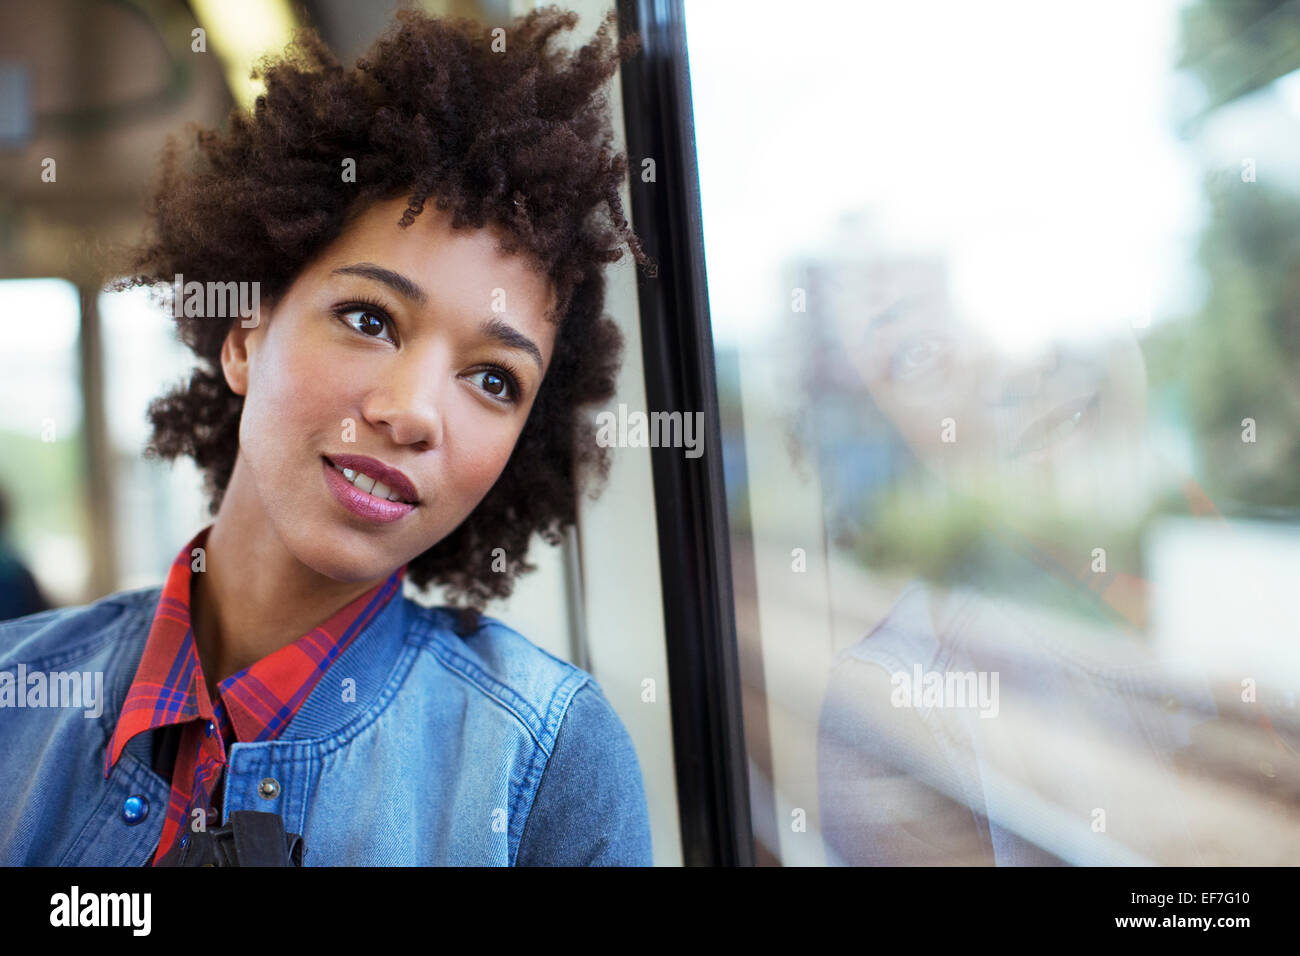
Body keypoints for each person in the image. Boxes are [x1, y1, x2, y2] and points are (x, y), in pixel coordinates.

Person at [0, 6, 655, 866]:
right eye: (369, 317)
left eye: (495, 380)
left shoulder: (544, 766)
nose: (413, 412)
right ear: (244, 333)